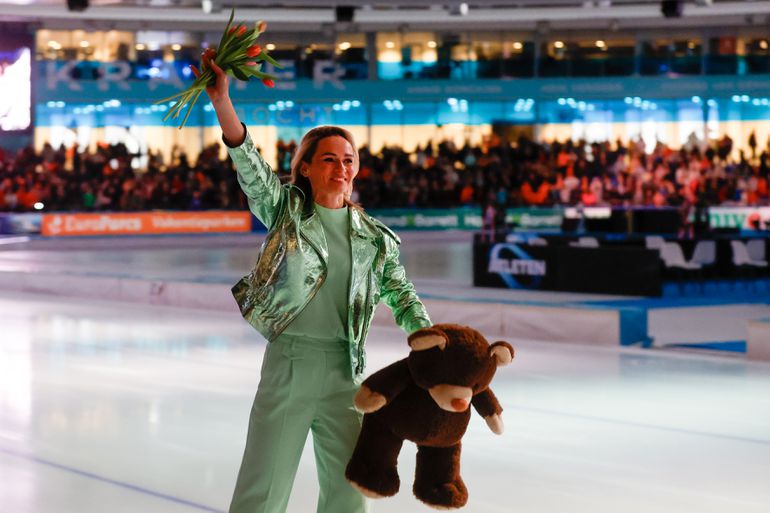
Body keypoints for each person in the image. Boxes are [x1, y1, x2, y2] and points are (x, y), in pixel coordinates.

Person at [191, 49, 432, 513]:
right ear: (305, 167)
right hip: (291, 365)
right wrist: (223, 102)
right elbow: (251, 168)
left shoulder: (375, 238)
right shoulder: (286, 213)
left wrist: (427, 337)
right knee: (264, 490)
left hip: (348, 372)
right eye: (328, 159)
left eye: (348, 159)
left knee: (348, 493)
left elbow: (401, 293)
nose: (340, 168)